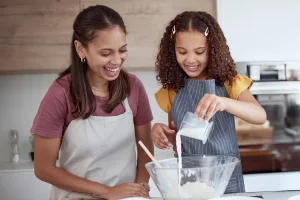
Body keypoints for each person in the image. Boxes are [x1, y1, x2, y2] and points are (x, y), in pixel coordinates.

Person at [31, 5, 153, 200]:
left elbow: (146, 149)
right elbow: (43, 168)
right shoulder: (61, 93)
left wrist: (139, 190)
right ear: (81, 49)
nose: (116, 61)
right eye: (106, 53)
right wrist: (107, 192)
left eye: (122, 50)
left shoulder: (134, 87)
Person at [151, 11, 267, 194]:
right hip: (190, 179)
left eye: (199, 52)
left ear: (213, 50)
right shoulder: (172, 90)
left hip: (226, 178)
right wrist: (162, 134)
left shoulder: (230, 83)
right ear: (172, 51)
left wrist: (224, 102)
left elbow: (260, 116)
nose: (190, 60)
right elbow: (177, 140)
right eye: (182, 52)